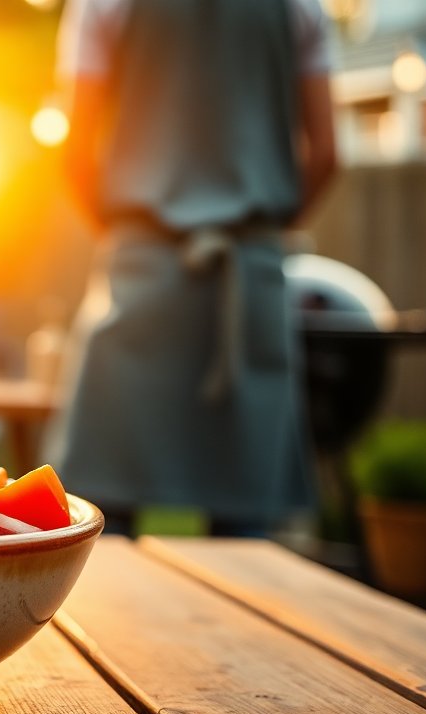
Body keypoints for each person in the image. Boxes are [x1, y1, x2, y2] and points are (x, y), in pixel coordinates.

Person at [43, 0, 338, 536]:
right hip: (249, 275)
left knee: (99, 520)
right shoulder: (302, 8)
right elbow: (327, 155)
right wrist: (257, 230)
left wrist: (129, 230)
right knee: (247, 532)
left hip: (141, 273)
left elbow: (74, 154)